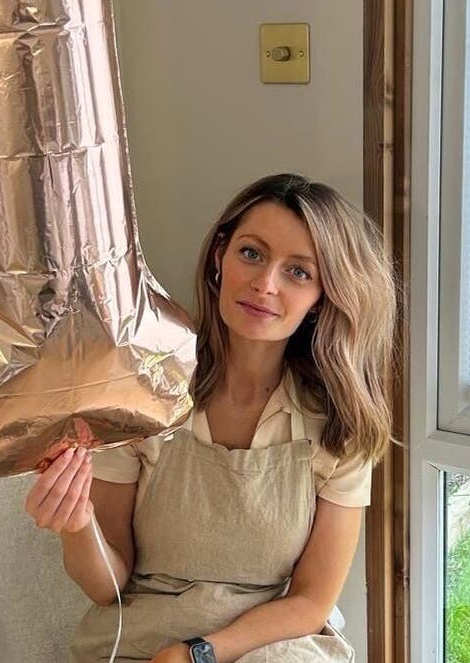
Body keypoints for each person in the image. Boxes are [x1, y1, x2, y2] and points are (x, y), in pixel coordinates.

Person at [24, 173, 397, 663]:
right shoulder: (140, 391)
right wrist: (77, 523)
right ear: (220, 255)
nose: (265, 284)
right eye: (252, 253)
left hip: (269, 644)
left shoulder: (340, 425)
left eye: (298, 272)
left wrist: (197, 654)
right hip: (137, 640)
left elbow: (310, 601)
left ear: (322, 297)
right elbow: (106, 585)